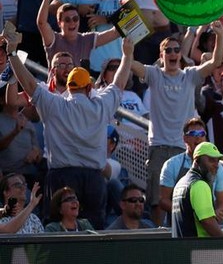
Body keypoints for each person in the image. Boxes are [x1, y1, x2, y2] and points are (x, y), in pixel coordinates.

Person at [7, 32, 133, 229]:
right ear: (90, 86)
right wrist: (127, 55)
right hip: (93, 179)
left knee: (59, 235)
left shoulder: (54, 104)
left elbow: (30, 84)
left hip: (62, 177)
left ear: (68, 86)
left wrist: (12, 53)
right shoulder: (101, 104)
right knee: (94, 236)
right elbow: (120, 83)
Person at [131, 23, 223, 226]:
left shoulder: (190, 75)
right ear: (161, 55)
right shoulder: (154, 74)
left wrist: (219, 34)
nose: (173, 53)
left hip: (187, 149)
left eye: (176, 50)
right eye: (168, 50)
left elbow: (216, 61)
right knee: (157, 201)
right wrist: (127, 46)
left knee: (193, 197)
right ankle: (159, 235)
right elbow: (132, 64)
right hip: (160, 147)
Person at [159, 118, 223, 223]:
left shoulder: (217, 166)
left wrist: (215, 213)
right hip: (179, 225)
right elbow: (163, 201)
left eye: (201, 133)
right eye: (193, 133)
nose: (198, 137)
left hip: (207, 224)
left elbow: (222, 203)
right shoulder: (171, 165)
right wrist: (189, 213)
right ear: (185, 138)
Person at [172, 142, 223, 238]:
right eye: (211, 160)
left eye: (217, 161)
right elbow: (208, 222)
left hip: (181, 249)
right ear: (197, 161)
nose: (216, 165)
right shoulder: (199, 185)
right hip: (198, 250)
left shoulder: (181, 183)